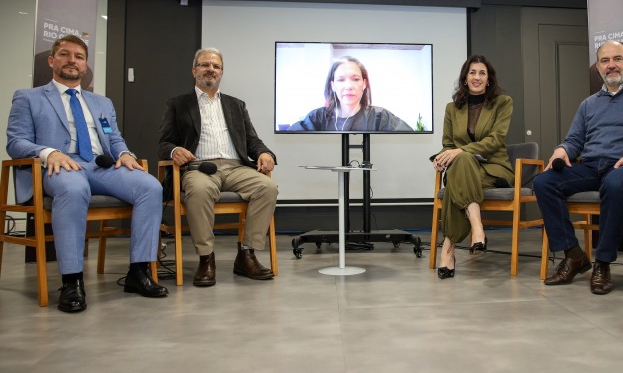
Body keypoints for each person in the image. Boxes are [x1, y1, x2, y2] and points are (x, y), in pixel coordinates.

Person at [6, 35, 168, 313]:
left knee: (150, 187)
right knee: (73, 189)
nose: (72, 60)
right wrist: (47, 152)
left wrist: (125, 154)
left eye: (79, 57)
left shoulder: (101, 102)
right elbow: (15, 142)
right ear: (51, 60)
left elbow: (113, 138)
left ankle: (139, 272)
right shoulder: (29, 97)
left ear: (85, 65)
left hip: (100, 165)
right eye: (65, 54)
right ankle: (72, 281)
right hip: (59, 165)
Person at [534, 40, 623, 294]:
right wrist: (562, 149)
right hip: (590, 166)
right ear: (598, 68)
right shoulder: (588, 104)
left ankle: (603, 263)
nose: (611, 66)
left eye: (617, 59)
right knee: (543, 181)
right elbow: (574, 140)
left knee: (615, 184)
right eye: (605, 61)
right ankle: (574, 254)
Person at [158, 47, 279, 287]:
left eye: (216, 66)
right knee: (200, 190)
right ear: (194, 71)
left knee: (267, 187)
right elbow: (164, 142)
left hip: (236, 168)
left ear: (221, 72)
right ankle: (206, 258)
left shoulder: (236, 105)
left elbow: (252, 140)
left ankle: (247, 254)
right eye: (205, 65)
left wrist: (265, 153)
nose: (210, 69)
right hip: (199, 168)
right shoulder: (178, 104)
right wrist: (174, 150)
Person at [431, 54, 515, 279]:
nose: (477, 77)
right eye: (472, 72)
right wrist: (441, 157)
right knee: (462, 163)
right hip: (464, 169)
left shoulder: (502, 103)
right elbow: (447, 144)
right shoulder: (452, 108)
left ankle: (448, 249)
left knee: (458, 173)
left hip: (493, 168)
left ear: (489, 79)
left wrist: (460, 151)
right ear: (465, 78)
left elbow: (496, 139)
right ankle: (477, 228)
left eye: (482, 73)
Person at [288, 56, 413, 131]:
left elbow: (411, 137)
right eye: (341, 80)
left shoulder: (380, 117)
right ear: (333, 85)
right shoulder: (317, 118)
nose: (348, 86)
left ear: (364, 84)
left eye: (355, 79)